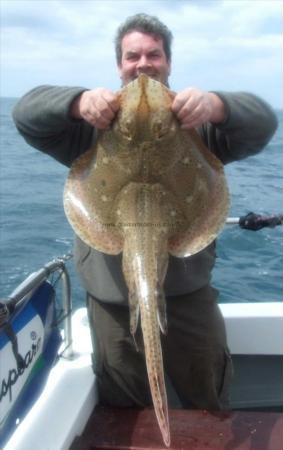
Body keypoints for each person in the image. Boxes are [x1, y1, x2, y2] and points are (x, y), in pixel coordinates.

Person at [13, 13, 278, 411]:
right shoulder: (91, 127)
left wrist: (217, 105)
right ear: (119, 65)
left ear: (168, 61)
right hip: (113, 307)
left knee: (209, 403)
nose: (143, 64)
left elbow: (262, 122)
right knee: (125, 414)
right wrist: (77, 102)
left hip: (189, 301)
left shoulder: (196, 124)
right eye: (132, 56)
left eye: (153, 54)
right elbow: (26, 113)